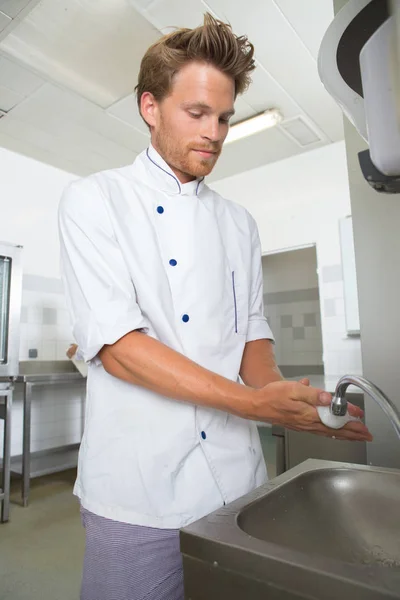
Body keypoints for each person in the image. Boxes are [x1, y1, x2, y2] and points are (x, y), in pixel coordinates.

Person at [58, 13, 372, 600]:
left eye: (224, 117)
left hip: (236, 482)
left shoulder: (238, 223)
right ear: (150, 107)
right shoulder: (95, 201)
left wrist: (289, 399)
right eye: (197, 113)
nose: (216, 133)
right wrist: (259, 404)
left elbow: (250, 333)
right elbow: (121, 350)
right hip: (137, 490)